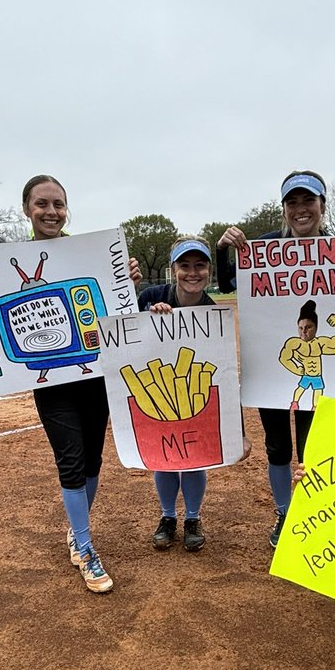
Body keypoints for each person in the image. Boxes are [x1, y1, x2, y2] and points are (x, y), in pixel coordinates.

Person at [217, 170, 335, 548]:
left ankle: (313, 512)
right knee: (277, 446)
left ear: (323, 205)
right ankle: (285, 513)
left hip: (325, 375)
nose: (301, 209)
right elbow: (227, 284)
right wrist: (224, 248)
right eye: (293, 202)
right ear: (284, 207)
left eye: (309, 201)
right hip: (272, 371)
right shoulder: (263, 249)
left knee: (314, 446)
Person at [21, 173, 122, 593]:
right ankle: (83, 545)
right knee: (72, 460)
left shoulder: (90, 254)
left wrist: (124, 279)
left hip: (94, 374)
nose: (51, 212)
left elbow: (111, 303)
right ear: (27, 209)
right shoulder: (6, 260)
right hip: (52, 383)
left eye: (58, 204)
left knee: (94, 461)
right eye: (42, 204)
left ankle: (76, 529)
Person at [137, 236, 215, 552]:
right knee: (165, 458)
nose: (192, 272)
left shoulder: (212, 311)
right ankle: (168, 516)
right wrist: (148, 313)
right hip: (159, 389)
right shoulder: (153, 295)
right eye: (184, 265)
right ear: (173, 269)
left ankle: (192, 518)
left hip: (193, 391)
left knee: (194, 456)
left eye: (200, 265)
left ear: (209, 270)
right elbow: (125, 326)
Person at [278, 299, 335, 411]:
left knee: (318, 390)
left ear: (316, 327)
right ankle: (295, 402)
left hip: (317, 375)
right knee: (301, 388)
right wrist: (295, 369)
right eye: (301, 328)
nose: (304, 331)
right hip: (306, 374)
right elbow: (284, 357)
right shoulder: (294, 343)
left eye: (308, 327)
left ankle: (315, 406)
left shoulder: (320, 344)